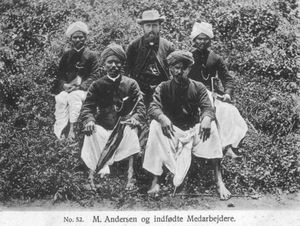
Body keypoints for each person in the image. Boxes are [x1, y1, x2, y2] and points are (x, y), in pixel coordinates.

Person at [143, 50, 231, 200]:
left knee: (213, 126)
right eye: (175, 68)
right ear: (170, 69)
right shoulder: (163, 87)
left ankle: (219, 180)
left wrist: (207, 118)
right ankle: (155, 180)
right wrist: (162, 117)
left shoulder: (198, 87)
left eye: (183, 68)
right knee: (154, 125)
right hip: (172, 131)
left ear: (189, 69)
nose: (179, 72)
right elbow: (153, 107)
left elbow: (208, 107)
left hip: (194, 131)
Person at [80, 44, 146, 191]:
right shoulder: (97, 85)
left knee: (131, 129)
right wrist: (89, 120)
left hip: (123, 129)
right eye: (110, 62)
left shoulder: (131, 84)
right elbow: (87, 107)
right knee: (91, 132)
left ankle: (131, 176)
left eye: (117, 62)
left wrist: (135, 117)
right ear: (104, 64)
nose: (114, 66)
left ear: (122, 64)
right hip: (103, 128)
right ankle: (91, 176)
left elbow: (140, 107)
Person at [189, 22, 248, 157]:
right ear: (194, 40)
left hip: (212, 94)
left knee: (228, 110)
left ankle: (226, 146)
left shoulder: (215, 58)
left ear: (210, 41)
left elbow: (227, 79)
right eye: (199, 39)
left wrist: (227, 93)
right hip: (193, 95)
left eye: (205, 39)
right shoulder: (189, 57)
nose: (202, 42)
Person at [54, 21, 99, 140]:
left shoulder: (91, 55)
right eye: (75, 37)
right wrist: (64, 85)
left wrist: (80, 87)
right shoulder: (67, 55)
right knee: (61, 98)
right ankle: (61, 129)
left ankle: (72, 129)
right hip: (68, 88)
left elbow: (94, 75)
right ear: (71, 39)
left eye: (81, 37)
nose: (78, 39)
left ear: (85, 38)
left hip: (83, 90)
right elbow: (60, 74)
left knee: (74, 97)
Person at [126, 9, 174, 106]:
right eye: (148, 26)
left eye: (155, 25)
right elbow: (126, 70)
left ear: (159, 27)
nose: (151, 29)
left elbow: (175, 71)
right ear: (143, 27)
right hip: (139, 91)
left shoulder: (168, 46)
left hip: (162, 92)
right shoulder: (134, 46)